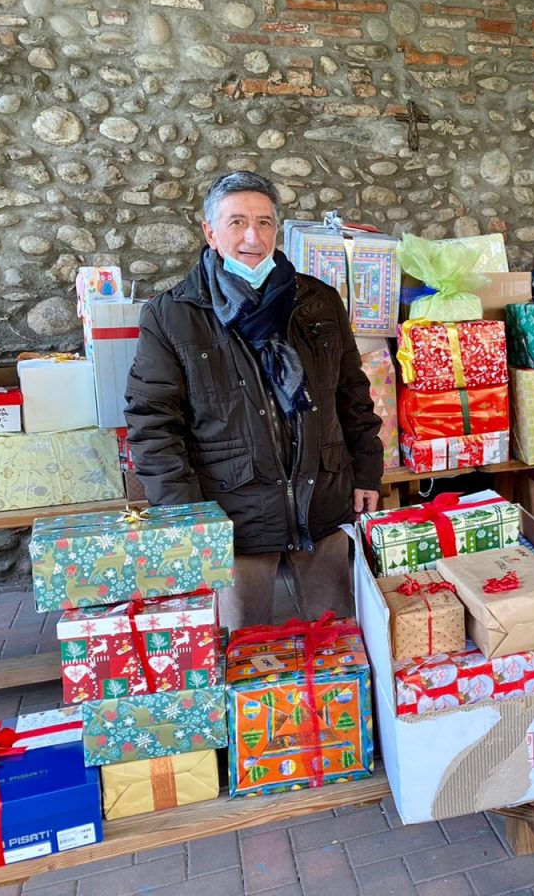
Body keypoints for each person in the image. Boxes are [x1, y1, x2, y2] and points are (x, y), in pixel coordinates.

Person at [125, 171, 383, 629]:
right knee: (244, 650)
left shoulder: (316, 301)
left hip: (320, 502)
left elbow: (352, 395)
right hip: (234, 517)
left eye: (264, 223)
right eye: (238, 222)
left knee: (340, 640)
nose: (252, 236)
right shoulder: (173, 316)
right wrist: (188, 515)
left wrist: (366, 471)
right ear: (209, 232)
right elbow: (152, 423)